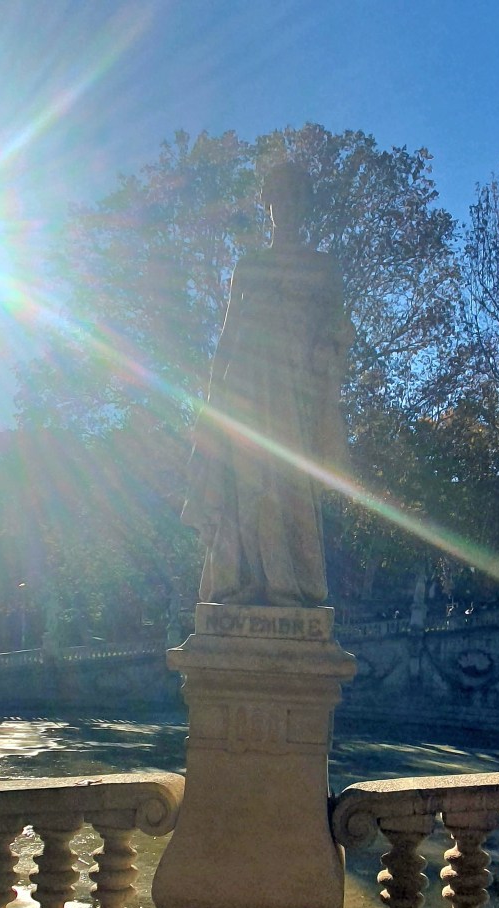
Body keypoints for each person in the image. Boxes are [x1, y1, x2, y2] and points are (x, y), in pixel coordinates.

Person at [181, 163, 353, 607]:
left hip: (295, 394)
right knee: (243, 482)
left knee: (287, 482)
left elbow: (339, 330)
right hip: (245, 387)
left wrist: (326, 354)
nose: (288, 206)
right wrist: (212, 401)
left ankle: (288, 585)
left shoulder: (323, 267)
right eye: (279, 196)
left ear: (306, 205)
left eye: (297, 197)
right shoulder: (249, 266)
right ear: (268, 204)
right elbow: (228, 333)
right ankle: (239, 583)